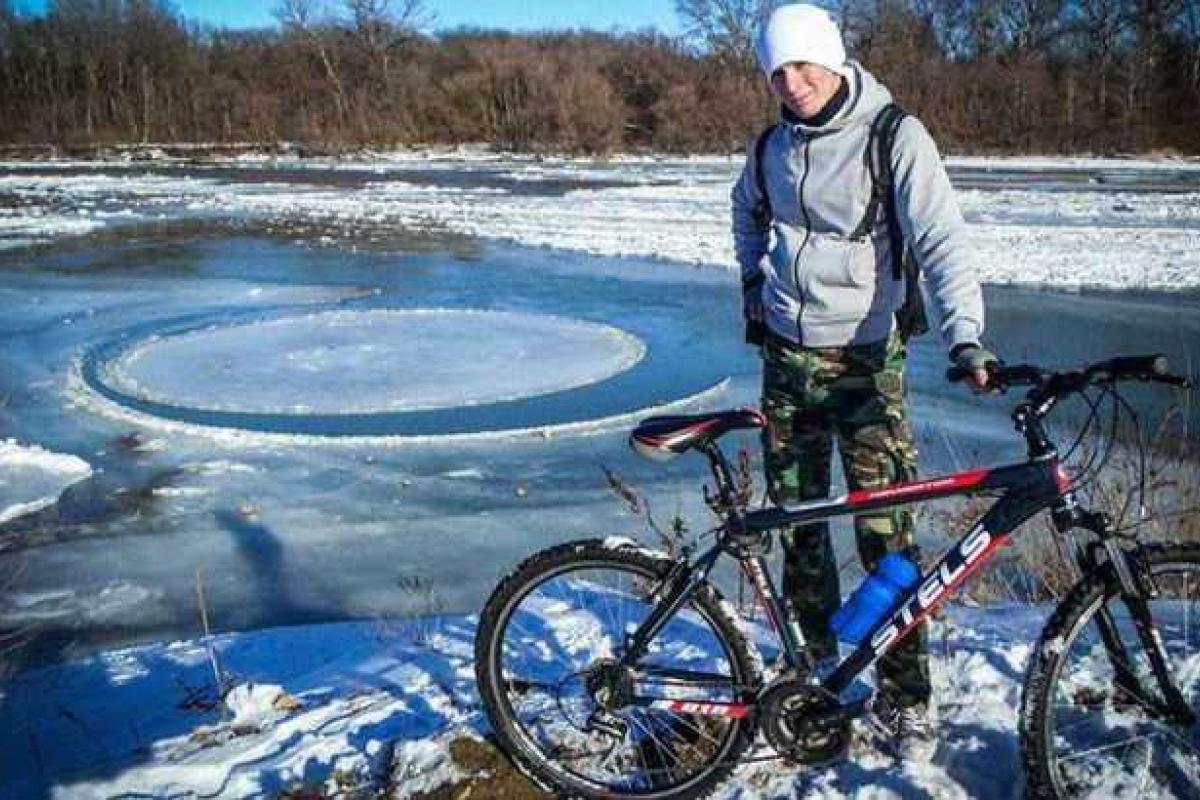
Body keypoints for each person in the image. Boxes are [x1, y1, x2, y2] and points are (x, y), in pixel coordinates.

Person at [731, 4, 998, 758]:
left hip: (866, 363)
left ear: (834, 60)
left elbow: (941, 239)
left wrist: (965, 334)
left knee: (889, 536)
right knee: (797, 527)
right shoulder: (771, 147)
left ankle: (907, 694)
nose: (793, 82)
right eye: (778, 71)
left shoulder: (893, 136)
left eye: (803, 65)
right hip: (787, 361)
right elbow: (746, 213)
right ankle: (817, 669)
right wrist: (756, 286)